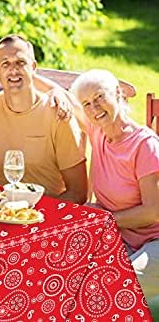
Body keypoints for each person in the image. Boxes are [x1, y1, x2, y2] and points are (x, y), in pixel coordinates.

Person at [71, 69, 159, 301]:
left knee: (114, 288)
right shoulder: (97, 130)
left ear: (118, 93)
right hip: (119, 238)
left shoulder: (145, 146)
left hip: (154, 242)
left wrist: (104, 217)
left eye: (100, 97)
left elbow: (154, 212)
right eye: (88, 103)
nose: (95, 108)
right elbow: (60, 92)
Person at [0, 34, 87, 203]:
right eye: (5, 64)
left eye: (20, 62)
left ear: (33, 67)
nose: (13, 70)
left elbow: (78, 192)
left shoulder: (58, 114)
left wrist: (33, 217)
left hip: (46, 217)